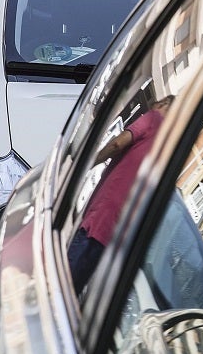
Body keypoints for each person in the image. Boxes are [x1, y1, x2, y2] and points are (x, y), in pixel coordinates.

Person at [67, 94, 174, 294]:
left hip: (102, 214)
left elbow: (118, 144)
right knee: (75, 288)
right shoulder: (168, 149)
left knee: (63, 280)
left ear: (163, 104)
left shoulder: (153, 119)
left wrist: (88, 163)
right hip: (118, 231)